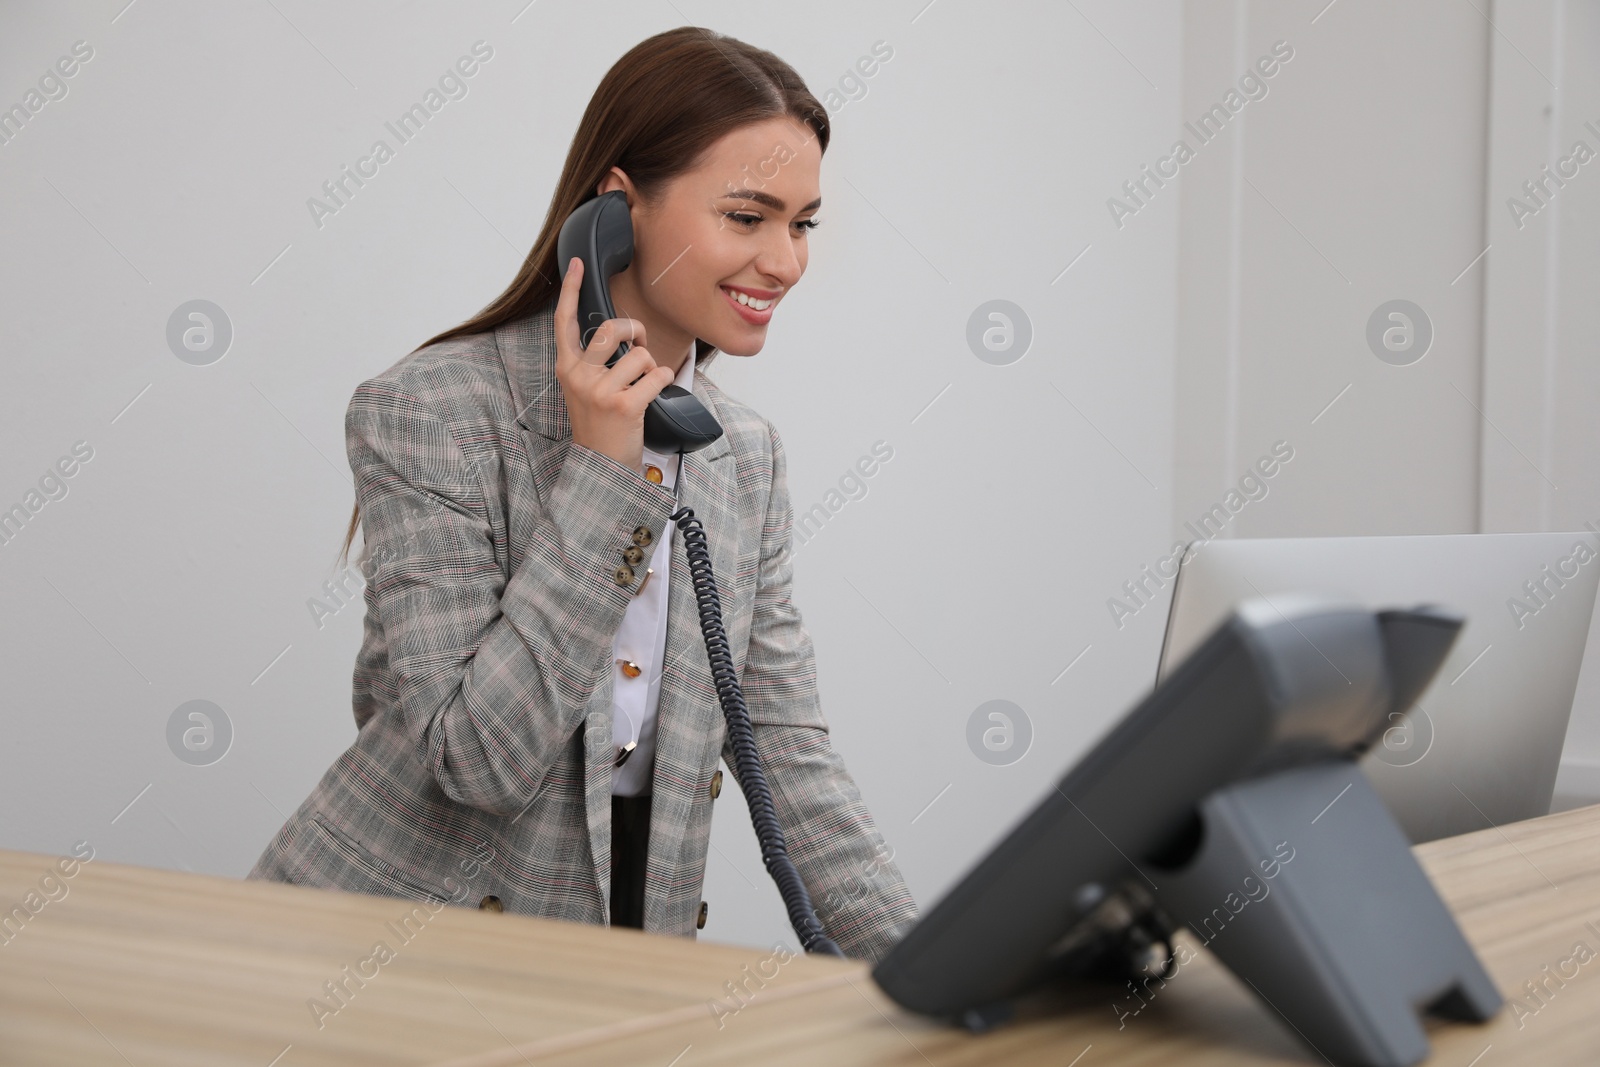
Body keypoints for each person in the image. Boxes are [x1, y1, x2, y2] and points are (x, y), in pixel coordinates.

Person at [246, 26, 918, 964]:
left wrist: (938, 977)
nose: (785, 262)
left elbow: (788, 753)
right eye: (745, 216)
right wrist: (606, 473)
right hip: (382, 958)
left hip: (616, 957)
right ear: (617, 210)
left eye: (801, 223)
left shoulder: (744, 460)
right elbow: (477, 757)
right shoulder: (432, 410)